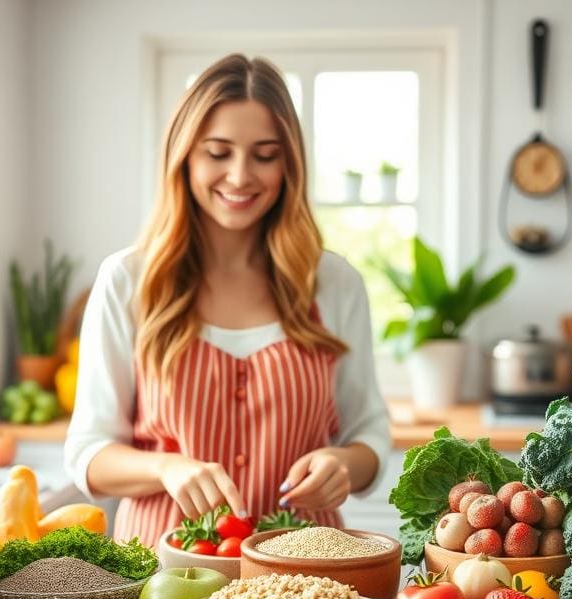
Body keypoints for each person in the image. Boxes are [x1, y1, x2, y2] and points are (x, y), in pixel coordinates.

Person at [64, 53, 390, 546]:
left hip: (305, 580)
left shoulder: (333, 282)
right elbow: (89, 452)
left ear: (289, 164)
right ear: (185, 156)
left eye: (264, 155)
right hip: (165, 574)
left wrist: (344, 464)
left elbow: (370, 435)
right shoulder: (129, 280)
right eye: (218, 153)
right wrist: (165, 468)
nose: (240, 176)